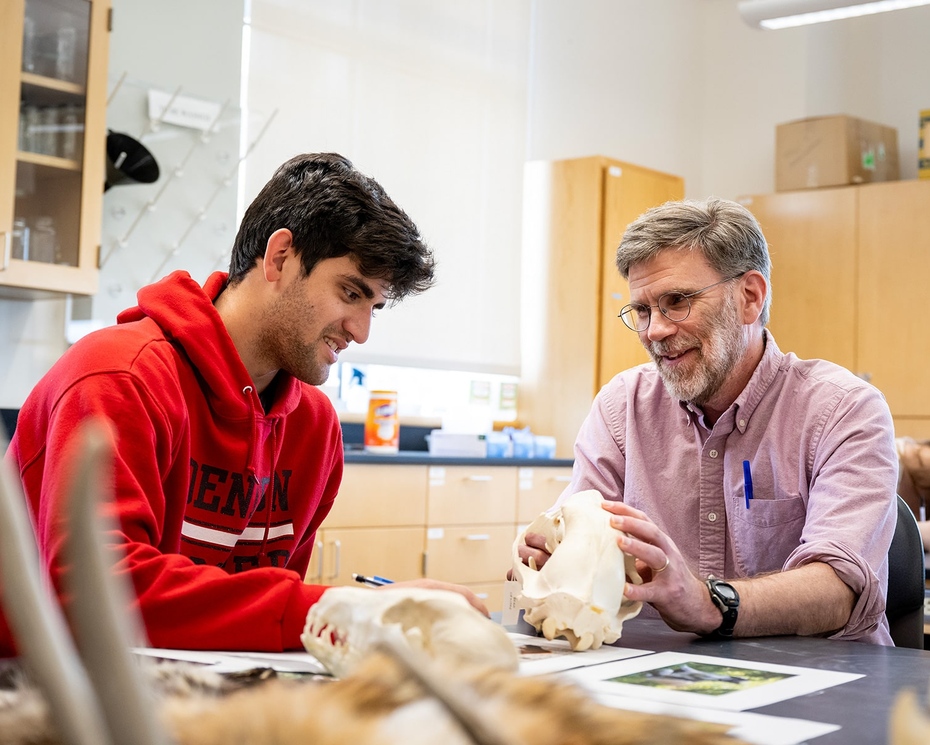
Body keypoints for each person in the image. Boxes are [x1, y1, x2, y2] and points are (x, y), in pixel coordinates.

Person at [3, 152, 487, 655]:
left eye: (374, 309)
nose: (361, 332)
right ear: (280, 258)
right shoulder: (118, 378)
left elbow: (257, 628)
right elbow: (94, 596)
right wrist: (343, 609)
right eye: (350, 293)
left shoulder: (314, 428)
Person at [517, 197, 898, 644]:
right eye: (642, 310)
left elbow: (839, 589)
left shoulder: (844, 410)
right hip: (655, 678)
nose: (654, 330)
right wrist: (551, 562)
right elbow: (577, 537)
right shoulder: (623, 406)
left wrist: (707, 602)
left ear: (749, 298)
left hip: (817, 681)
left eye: (676, 301)